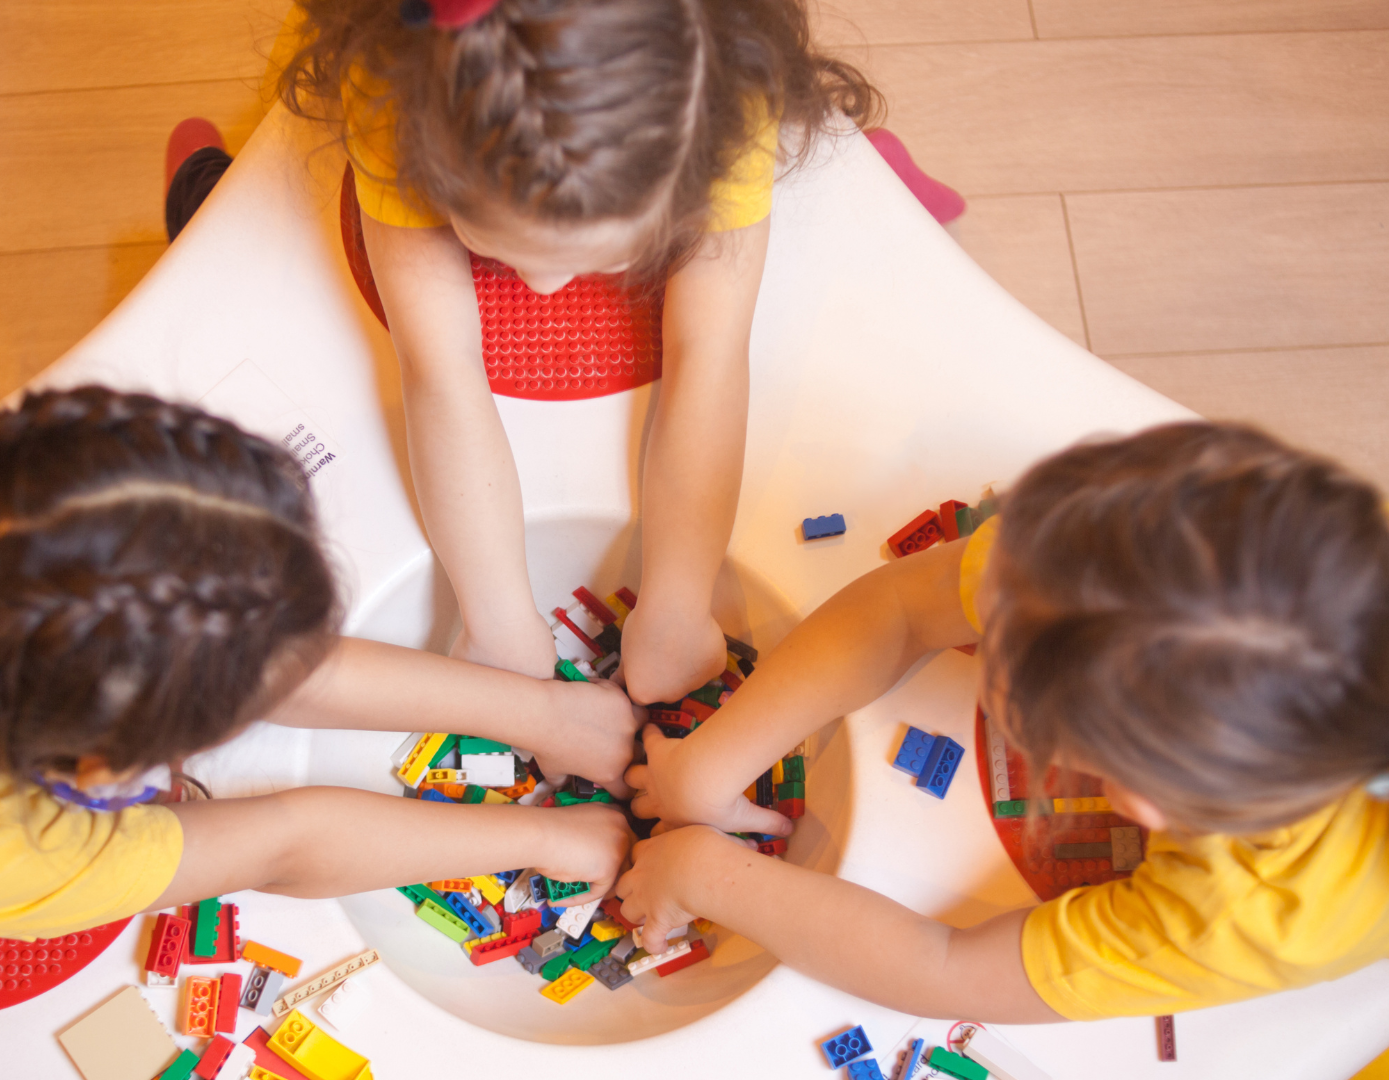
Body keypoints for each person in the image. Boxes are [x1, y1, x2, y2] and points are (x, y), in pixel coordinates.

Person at [0, 387, 638, 1077]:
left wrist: (537, 710)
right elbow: (282, 844)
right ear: (96, 772)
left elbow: (233, 644)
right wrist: (548, 837)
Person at [615, 422, 1389, 1022]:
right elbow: (906, 604)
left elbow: (949, 972)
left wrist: (708, 873)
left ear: (1136, 800)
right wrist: (706, 766)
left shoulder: (1255, 915)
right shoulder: (1232, 565)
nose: (967, 593)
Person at [167, 0, 882, 705]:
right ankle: (206, 185)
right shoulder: (400, 94)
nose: (545, 287)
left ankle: (887, 171)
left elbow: (712, 351)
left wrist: (678, 607)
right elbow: (439, 367)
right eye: (499, 245)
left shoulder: (724, 104)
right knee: (245, 234)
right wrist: (495, 622)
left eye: (603, 258)